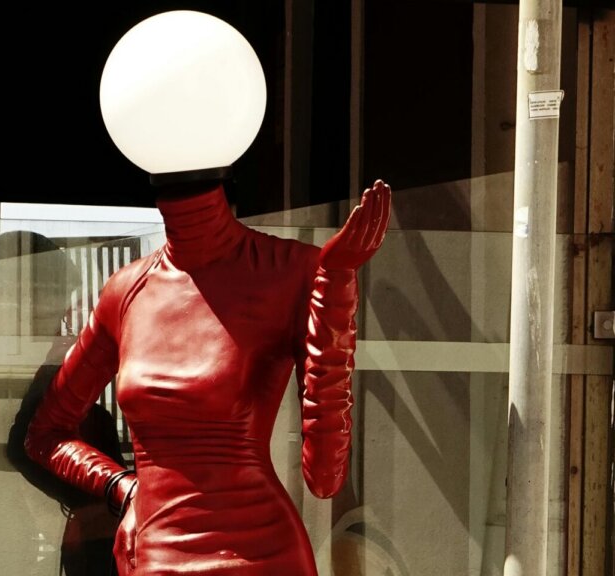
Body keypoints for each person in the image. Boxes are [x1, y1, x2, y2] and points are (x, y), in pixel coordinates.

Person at [24, 178, 391, 575]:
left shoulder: (295, 270)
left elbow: (324, 479)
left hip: (265, 554)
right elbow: (45, 434)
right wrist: (124, 489)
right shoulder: (126, 291)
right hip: (157, 552)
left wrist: (335, 289)